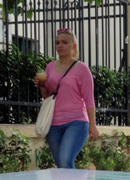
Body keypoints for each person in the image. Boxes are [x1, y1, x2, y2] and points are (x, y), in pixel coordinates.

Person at [35, 28, 99, 169]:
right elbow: (47, 96)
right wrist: (42, 85)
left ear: (74, 46)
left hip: (76, 122)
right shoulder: (50, 67)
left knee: (65, 161)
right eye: (57, 43)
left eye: (64, 42)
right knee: (61, 165)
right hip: (53, 123)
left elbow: (89, 99)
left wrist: (93, 125)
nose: (60, 46)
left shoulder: (82, 69)